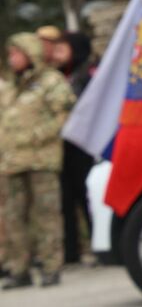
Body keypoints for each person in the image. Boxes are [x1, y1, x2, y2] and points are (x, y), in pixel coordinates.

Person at [0, 33, 76, 288]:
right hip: (11, 162)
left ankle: (51, 266)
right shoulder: (7, 87)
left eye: (16, 53)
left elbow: (63, 116)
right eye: (9, 54)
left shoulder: (50, 82)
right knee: (13, 217)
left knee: (46, 216)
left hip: (41, 160)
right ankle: (19, 268)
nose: (11, 59)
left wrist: (37, 136)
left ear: (30, 53)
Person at [51, 32, 97, 267]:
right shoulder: (56, 77)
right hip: (62, 147)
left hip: (84, 145)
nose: (55, 55)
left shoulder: (89, 74)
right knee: (65, 199)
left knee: (87, 194)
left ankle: (98, 244)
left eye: (61, 49)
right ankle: (72, 252)